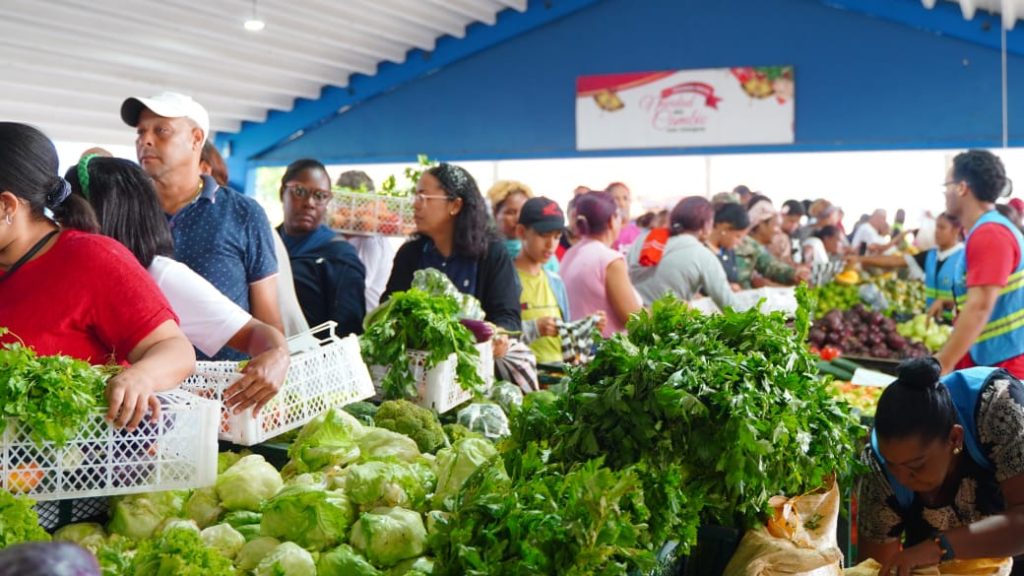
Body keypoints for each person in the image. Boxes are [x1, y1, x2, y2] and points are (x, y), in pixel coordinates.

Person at [0, 122, 195, 430]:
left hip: (76, 465)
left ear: (6, 206)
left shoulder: (93, 259)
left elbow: (175, 349)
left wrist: (140, 376)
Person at [66, 155, 290, 415]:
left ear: (105, 217)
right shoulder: (64, 272)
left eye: (68, 215)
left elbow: (255, 334)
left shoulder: (159, 276)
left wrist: (277, 354)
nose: (57, 226)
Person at [121, 91, 282, 360]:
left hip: (225, 389)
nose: (145, 140)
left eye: (162, 130)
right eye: (141, 132)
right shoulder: (124, 212)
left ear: (196, 139)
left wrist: (271, 368)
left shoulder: (243, 213)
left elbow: (268, 318)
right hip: (146, 387)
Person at [857, 358, 1024, 575]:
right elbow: (876, 567)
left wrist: (939, 547)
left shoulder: (998, 406)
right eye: (892, 465)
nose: (902, 478)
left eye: (916, 465)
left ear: (955, 438)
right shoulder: (878, 467)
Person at [384, 163, 520, 356]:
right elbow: (389, 309)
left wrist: (498, 335)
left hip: (474, 367)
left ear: (455, 205)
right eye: (415, 197)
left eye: (423, 197)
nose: (415, 204)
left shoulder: (492, 254)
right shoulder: (410, 254)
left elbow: (508, 317)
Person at [200, 141, 309, 338]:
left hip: (243, 358)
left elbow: (277, 313)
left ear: (204, 170)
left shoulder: (247, 218)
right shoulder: (163, 221)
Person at [935, 150, 1024, 378]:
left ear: (962, 187)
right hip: (993, 360)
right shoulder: (985, 230)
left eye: (947, 185)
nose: (945, 193)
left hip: (1004, 367)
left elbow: (979, 306)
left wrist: (942, 364)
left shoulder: (990, 233)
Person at [278, 159, 366, 337]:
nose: (309, 203)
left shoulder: (340, 257)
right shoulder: (264, 244)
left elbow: (347, 332)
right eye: (300, 191)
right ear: (282, 193)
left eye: (320, 196)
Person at [629, 196, 739, 310]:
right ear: (706, 225)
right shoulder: (702, 255)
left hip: (630, 319)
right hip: (663, 323)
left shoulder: (645, 239)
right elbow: (730, 306)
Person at [561, 190, 642, 337]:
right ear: (612, 220)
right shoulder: (609, 260)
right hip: (602, 353)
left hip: (577, 349)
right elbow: (635, 321)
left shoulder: (571, 253)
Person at [855, 213, 964, 320]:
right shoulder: (931, 255)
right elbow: (895, 261)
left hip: (957, 323)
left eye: (942, 228)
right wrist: (860, 259)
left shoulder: (965, 257)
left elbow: (974, 296)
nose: (937, 231)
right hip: (932, 321)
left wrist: (946, 300)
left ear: (956, 230)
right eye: (936, 227)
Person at [514, 197, 573, 364]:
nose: (551, 244)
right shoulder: (507, 280)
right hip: (522, 377)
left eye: (556, 237)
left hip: (559, 376)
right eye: (543, 235)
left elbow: (567, 332)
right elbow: (497, 333)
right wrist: (535, 328)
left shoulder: (555, 281)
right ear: (521, 232)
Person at [335, 170, 397, 312]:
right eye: (343, 203)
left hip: (366, 321)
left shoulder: (371, 239)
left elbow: (356, 285)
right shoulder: (341, 233)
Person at [735, 197, 808, 288]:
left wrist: (795, 274)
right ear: (761, 225)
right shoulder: (741, 245)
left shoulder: (755, 247)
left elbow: (771, 266)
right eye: (775, 225)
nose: (778, 231)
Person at [705, 202, 750, 289]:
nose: (739, 242)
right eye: (738, 236)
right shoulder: (702, 251)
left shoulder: (728, 250)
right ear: (724, 227)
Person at [608, 181, 641, 251]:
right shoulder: (603, 234)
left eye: (625, 198)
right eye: (616, 199)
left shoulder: (638, 234)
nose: (622, 204)